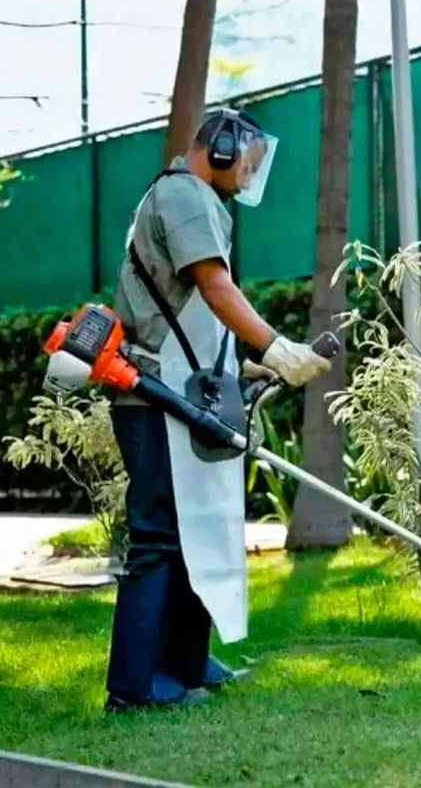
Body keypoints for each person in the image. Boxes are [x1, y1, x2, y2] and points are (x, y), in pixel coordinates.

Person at [105, 107, 330, 712]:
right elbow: (213, 286)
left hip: (182, 389)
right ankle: (136, 689)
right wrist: (273, 345)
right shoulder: (184, 195)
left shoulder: (195, 199)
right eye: (249, 160)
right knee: (157, 537)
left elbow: (194, 316)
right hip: (152, 396)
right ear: (223, 147)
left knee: (193, 533)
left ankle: (186, 666)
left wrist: (241, 364)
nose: (252, 172)